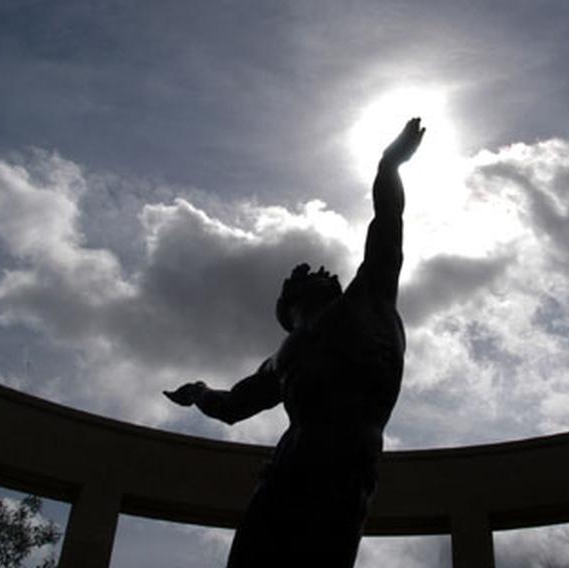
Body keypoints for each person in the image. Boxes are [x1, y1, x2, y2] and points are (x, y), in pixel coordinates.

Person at [164, 117, 425, 568]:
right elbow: (231, 406)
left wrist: (389, 166)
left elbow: (387, 226)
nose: (325, 272)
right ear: (291, 304)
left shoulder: (368, 301)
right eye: (308, 276)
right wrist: (198, 392)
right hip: (283, 479)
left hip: (343, 480)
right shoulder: (282, 360)